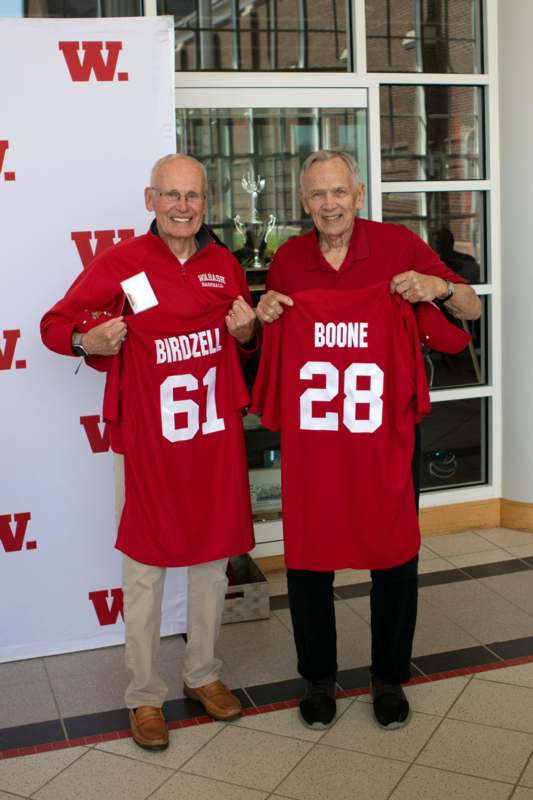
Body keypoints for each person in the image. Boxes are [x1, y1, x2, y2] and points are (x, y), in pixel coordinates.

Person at [255, 149, 481, 731]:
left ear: (358, 194)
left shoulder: (398, 247)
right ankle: (320, 679)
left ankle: (388, 678)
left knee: (395, 558)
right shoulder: (287, 260)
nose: (328, 204)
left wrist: (433, 285)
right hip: (315, 446)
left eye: (338, 192)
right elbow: (266, 340)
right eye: (315, 195)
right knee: (308, 563)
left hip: (384, 440)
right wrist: (266, 314)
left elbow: (470, 309)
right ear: (303, 202)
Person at [41, 154, 257, 751]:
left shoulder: (224, 267)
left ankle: (203, 673)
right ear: (150, 199)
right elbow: (54, 324)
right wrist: (90, 339)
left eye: (192, 195)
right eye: (171, 195)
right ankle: (143, 694)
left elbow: (242, 347)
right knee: (144, 569)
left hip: (211, 441)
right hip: (146, 445)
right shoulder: (122, 263)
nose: (182, 206)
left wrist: (246, 336)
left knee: (212, 564)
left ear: (206, 201)